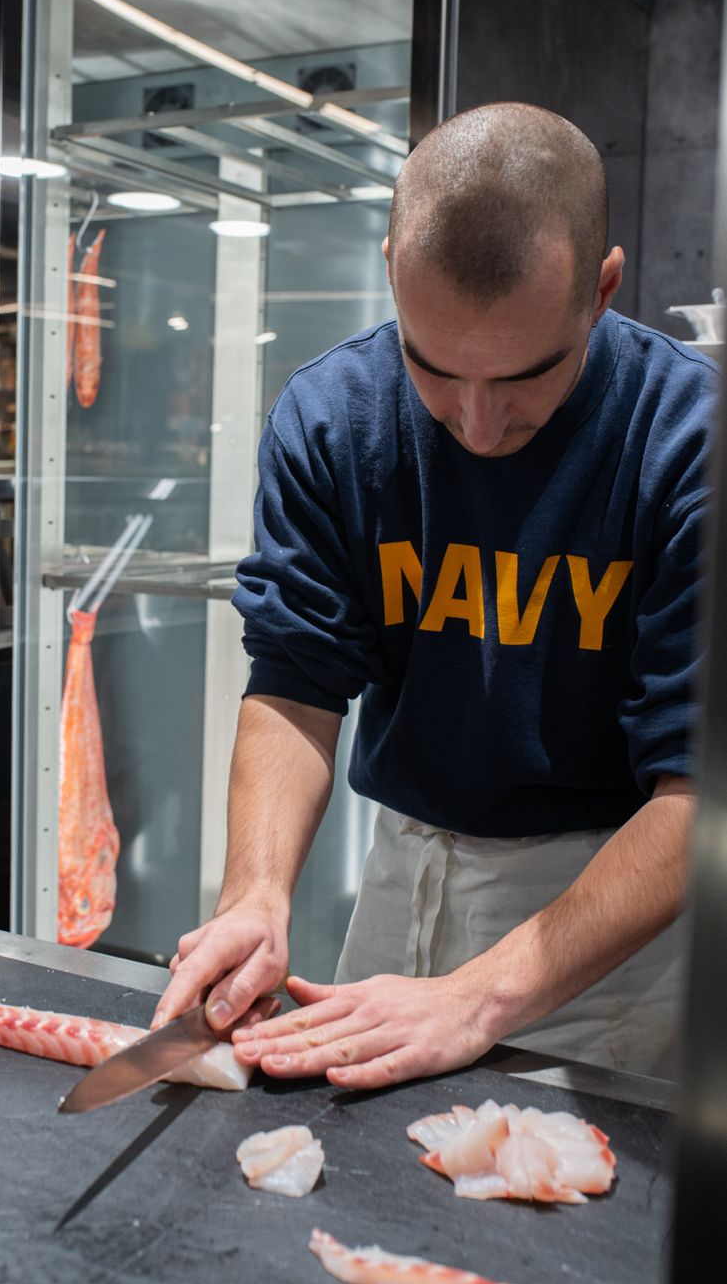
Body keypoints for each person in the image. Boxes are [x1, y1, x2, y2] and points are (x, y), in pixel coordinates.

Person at [152, 101, 717, 1086]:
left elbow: (699, 793)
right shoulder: (333, 418)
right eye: (434, 366)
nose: (478, 423)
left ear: (603, 288)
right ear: (390, 271)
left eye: (525, 377)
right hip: (401, 881)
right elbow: (294, 687)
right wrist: (254, 893)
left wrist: (484, 993)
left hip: (606, 925)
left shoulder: (689, 444)